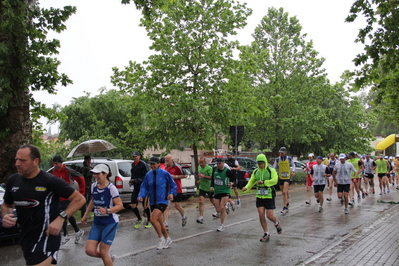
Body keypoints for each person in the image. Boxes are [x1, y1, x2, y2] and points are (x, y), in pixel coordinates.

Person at [1, 145, 85, 266]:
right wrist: (6, 215)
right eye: (16, 160)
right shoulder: (13, 180)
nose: (17, 164)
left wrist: (61, 218)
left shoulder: (50, 181)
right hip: (26, 238)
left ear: (36, 161)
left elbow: (79, 199)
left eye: (22, 160)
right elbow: (6, 205)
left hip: (46, 238)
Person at [82, 164, 124, 265]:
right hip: (97, 222)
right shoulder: (93, 186)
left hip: (110, 223)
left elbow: (120, 205)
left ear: (105, 174)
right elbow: (93, 201)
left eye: (98, 174)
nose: (95, 176)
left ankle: (107, 259)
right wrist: (85, 214)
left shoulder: (111, 188)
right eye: (94, 174)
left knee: (103, 252)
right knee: (89, 250)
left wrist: (108, 211)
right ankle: (109, 259)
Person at [138, 157, 177, 250]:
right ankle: (168, 238)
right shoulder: (148, 175)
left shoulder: (164, 174)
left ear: (158, 164)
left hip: (162, 200)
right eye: (150, 164)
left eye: (154, 164)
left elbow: (173, 185)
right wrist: (141, 195)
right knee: (159, 222)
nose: (152, 166)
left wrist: (171, 193)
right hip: (153, 201)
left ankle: (161, 239)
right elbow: (144, 187)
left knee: (152, 219)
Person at [242, 154, 281, 241]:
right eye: (259, 163)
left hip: (269, 195)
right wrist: (246, 187)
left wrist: (264, 182)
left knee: (270, 216)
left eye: (262, 163)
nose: (260, 165)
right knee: (261, 214)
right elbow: (252, 181)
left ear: (265, 162)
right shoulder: (256, 171)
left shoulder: (271, 170)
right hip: (259, 195)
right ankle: (266, 232)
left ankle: (276, 222)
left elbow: (275, 180)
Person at [48, 155, 86, 245]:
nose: (55, 165)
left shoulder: (68, 171)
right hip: (59, 197)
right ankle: (77, 231)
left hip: (68, 196)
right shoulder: (53, 172)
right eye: (54, 163)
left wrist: (81, 192)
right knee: (66, 214)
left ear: (61, 163)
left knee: (62, 214)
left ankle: (66, 235)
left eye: (56, 163)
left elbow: (81, 178)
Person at [210, 157, 234, 232]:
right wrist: (212, 186)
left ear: (223, 163)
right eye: (217, 163)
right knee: (218, 210)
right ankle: (228, 204)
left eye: (219, 163)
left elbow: (233, 179)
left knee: (222, 208)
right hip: (217, 191)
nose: (218, 165)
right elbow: (212, 179)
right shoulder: (215, 170)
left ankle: (222, 224)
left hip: (225, 190)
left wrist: (231, 183)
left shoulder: (227, 171)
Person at [164, 154, 187, 229]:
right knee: (167, 207)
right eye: (165, 160)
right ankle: (166, 224)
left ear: (172, 160)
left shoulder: (177, 167)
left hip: (177, 189)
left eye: (168, 160)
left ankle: (183, 216)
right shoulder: (165, 168)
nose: (166, 162)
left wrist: (175, 176)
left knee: (177, 206)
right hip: (168, 189)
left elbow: (185, 175)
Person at [129, 151, 151, 229]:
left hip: (144, 188)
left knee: (145, 206)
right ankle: (139, 218)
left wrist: (136, 180)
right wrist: (131, 181)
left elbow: (147, 176)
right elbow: (133, 175)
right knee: (132, 205)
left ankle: (149, 219)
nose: (134, 158)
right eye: (133, 156)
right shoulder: (133, 164)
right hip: (136, 187)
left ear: (139, 156)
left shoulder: (143, 165)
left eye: (136, 156)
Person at [273, 147, 295, 214]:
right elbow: (274, 167)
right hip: (280, 177)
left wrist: (293, 171)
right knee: (283, 192)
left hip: (287, 177)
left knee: (284, 192)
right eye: (280, 152)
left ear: (285, 152)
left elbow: (293, 165)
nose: (281, 153)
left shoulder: (289, 159)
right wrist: (274, 173)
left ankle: (285, 206)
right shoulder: (277, 159)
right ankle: (286, 202)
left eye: (282, 152)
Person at [196, 157, 215, 224]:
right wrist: (199, 181)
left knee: (213, 201)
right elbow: (200, 176)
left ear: (205, 162)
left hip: (209, 187)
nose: (200, 164)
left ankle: (218, 211)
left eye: (201, 162)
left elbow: (212, 177)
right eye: (199, 162)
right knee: (201, 202)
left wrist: (204, 176)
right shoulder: (199, 167)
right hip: (202, 187)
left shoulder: (209, 168)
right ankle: (201, 217)